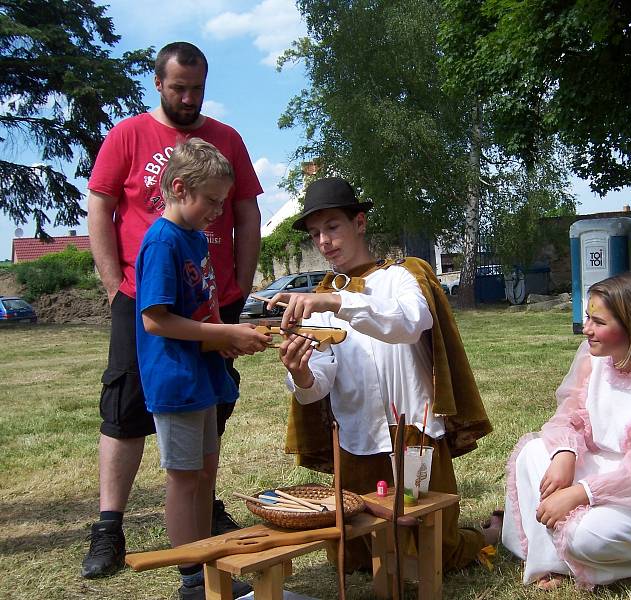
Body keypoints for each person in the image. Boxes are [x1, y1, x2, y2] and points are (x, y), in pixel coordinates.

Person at [83, 41, 263, 578]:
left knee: (203, 418)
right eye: (178, 87)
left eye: (197, 88)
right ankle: (111, 529)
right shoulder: (129, 134)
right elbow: (101, 203)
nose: (188, 97)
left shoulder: (226, 139)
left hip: (210, 301)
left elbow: (248, 214)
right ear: (158, 83)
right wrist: (115, 283)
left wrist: (240, 293)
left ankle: (201, 526)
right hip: (148, 297)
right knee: (127, 408)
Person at [266, 177, 495, 573]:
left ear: (360, 223)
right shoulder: (318, 301)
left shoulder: (403, 275)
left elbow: (408, 322)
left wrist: (336, 301)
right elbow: (318, 382)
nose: (324, 241)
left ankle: (491, 534)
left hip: (413, 432)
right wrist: (301, 373)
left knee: (437, 552)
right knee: (355, 558)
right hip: (357, 437)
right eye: (316, 233)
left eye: (332, 226)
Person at [501, 271, 631, 590]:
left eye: (599, 322)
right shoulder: (595, 359)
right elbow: (568, 413)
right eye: (588, 318)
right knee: (533, 454)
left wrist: (581, 493)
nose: (587, 330)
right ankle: (553, 562)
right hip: (603, 467)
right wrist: (564, 452)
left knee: (588, 537)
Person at [134, 138, 269, 599]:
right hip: (175, 378)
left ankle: (210, 569)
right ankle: (191, 578)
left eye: (222, 202)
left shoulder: (193, 238)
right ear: (179, 187)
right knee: (184, 478)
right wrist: (224, 336)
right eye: (211, 201)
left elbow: (202, 307)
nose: (217, 211)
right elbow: (156, 318)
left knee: (206, 474)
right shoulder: (162, 241)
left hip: (203, 375)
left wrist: (226, 342)